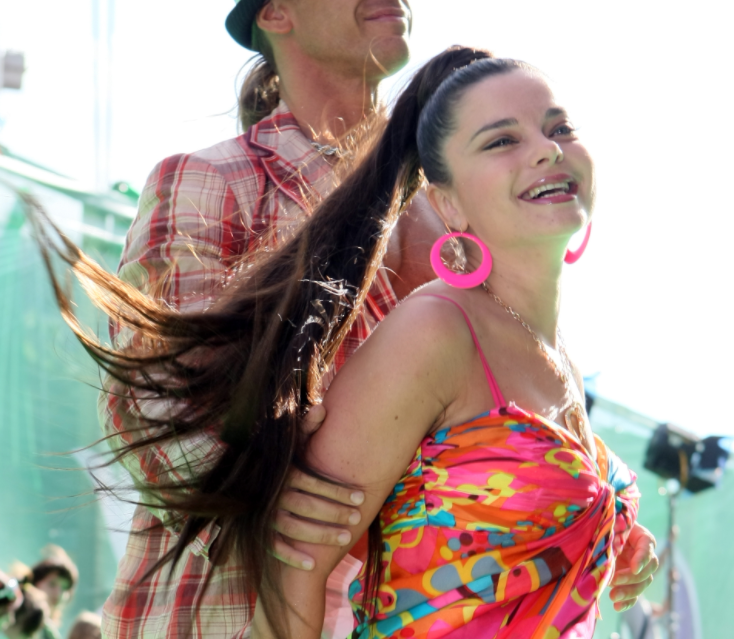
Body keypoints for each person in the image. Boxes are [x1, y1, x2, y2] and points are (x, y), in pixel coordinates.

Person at [36, 46, 659, 638]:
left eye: (560, 128)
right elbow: (158, 413)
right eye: (501, 140)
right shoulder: (438, 323)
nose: (547, 150)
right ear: (446, 203)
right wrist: (272, 482)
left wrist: (604, 523)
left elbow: (492, 490)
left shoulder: (550, 353)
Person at [100, 0, 440, 639]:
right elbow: (150, 404)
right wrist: (268, 494)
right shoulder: (210, 180)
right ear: (274, 11)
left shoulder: (450, 210)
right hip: (231, 613)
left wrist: (596, 508)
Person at [28, 547, 76, 639]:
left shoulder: (49, 631)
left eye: (64, 588)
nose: (58, 593)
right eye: (52, 584)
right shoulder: (13, 614)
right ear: (36, 582)